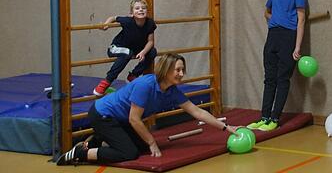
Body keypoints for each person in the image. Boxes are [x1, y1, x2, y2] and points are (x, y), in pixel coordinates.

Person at [57, 53, 239, 165]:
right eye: (177, 70)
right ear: (166, 70)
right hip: (103, 115)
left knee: (141, 146)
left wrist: (226, 128)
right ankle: (81, 153)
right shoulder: (145, 85)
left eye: (183, 70)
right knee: (129, 153)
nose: (182, 74)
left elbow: (197, 112)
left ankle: (98, 139)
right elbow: (134, 119)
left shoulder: (172, 91)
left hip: (120, 120)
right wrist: (152, 141)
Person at [247, 0, 307, 132]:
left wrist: (297, 47)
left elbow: (301, 19)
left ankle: (274, 118)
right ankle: (264, 116)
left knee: (282, 78)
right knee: (269, 78)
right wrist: (272, 19)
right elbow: (266, 11)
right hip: (273, 35)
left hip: (289, 36)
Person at [93, 0, 157, 96]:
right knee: (127, 53)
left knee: (152, 52)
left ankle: (133, 75)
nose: (141, 10)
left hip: (133, 49)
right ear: (131, 13)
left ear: (147, 11)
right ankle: (106, 82)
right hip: (116, 47)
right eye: (137, 8)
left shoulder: (150, 23)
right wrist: (106, 25)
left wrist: (143, 52)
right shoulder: (128, 21)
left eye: (143, 8)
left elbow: (150, 41)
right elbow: (113, 17)